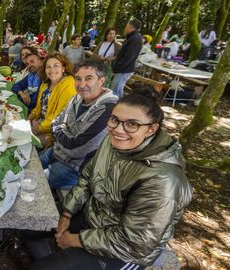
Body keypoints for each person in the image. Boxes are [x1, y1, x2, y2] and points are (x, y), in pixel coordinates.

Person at [30, 88, 192, 270]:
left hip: (124, 251)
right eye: (115, 120)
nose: (118, 129)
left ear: (151, 129)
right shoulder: (112, 141)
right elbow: (87, 177)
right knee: (31, 226)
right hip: (94, 218)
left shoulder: (162, 180)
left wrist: (74, 240)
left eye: (132, 124)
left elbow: (134, 243)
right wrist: (67, 213)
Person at [39, 60, 118, 190]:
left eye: (88, 79)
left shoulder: (109, 110)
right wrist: (62, 130)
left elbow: (76, 150)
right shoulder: (76, 98)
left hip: (74, 167)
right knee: (25, 166)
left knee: (32, 184)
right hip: (56, 152)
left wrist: (60, 130)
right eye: (78, 79)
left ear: (101, 80)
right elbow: (55, 123)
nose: (82, 85)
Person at [28, 52, 76, 148]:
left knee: (26, 143)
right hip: (38, 123)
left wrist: (38, 128)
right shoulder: (45, 84)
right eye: (48, 67)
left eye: (56, 66)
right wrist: (30, 118)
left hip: (53, 132)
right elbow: (38, 108)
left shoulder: (69, 85)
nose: (52, 70)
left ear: (63, 68)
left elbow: (59, 118)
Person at [111, 18, 143, 97]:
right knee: (116, 90)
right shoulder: (133, 37)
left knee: (116, 91)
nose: (125, 29)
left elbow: (128, 57)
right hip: (123, 69)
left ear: (129, 26)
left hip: (124, 70)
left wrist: (117, 67)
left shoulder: (135, 38)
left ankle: (118, 107)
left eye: (126, 26)